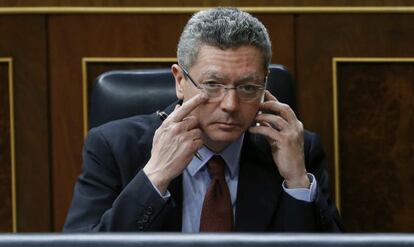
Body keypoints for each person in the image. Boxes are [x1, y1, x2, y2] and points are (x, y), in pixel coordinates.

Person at [64, 7, 343, 232]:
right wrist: (155, 178)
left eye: (248, 87)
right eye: (212, 85)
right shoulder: (113, 147)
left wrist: (297, 181)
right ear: (180, 80)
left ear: (265, 84)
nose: (231, 105)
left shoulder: (297, 150)